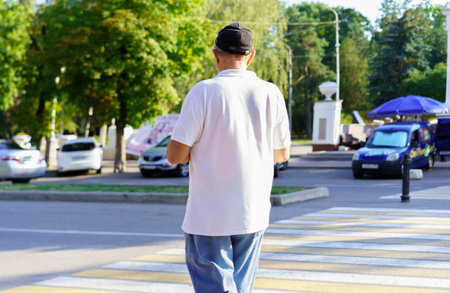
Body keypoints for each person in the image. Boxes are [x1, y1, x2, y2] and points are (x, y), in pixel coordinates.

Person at [166, 22, 291, 293]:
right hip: (253, 213)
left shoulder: (203, 91)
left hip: (209, 215)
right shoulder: (272, 93)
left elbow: (175, 156)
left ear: (215, 55)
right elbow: (281, 154)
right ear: (251, 55)